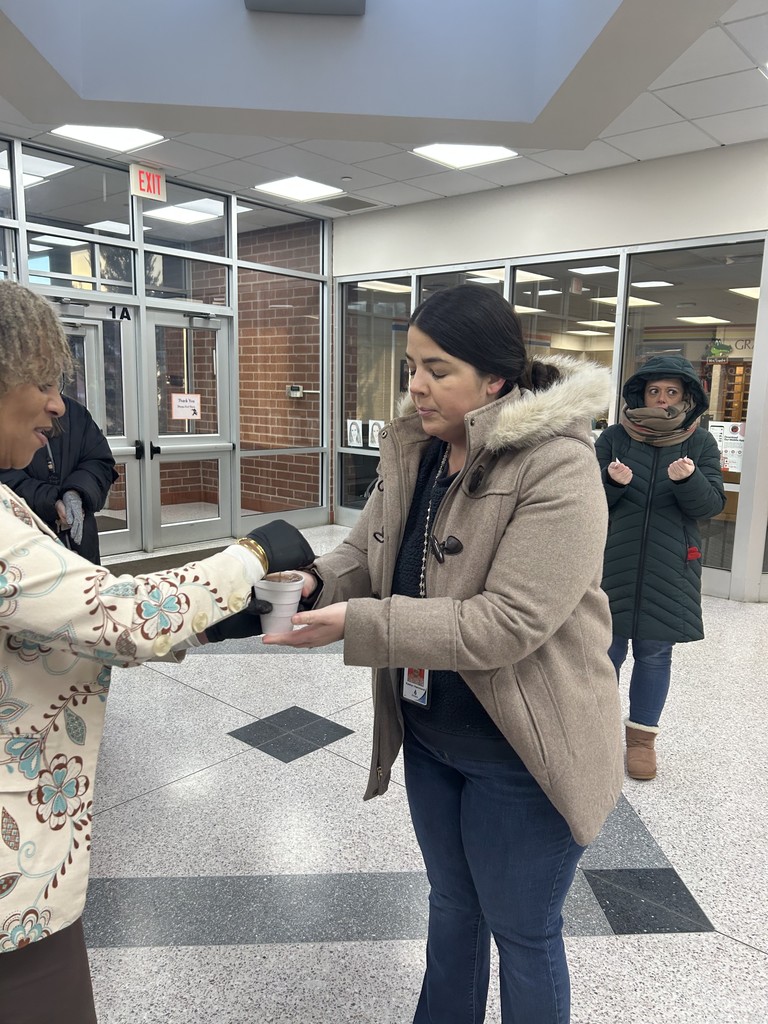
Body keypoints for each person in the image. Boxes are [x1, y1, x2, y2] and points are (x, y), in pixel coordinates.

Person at [266, 284, 623, 1024]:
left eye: (437, 369)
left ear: (495, 379)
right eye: (409, 366)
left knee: (523, 932)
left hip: (523, 751)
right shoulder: (418, 450)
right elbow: (367, 547)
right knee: (454, 908)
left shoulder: (557, 465)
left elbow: (508, 623)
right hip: (432, 736)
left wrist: (358, 623)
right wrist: (316, 580)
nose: (415, 387)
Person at [0, 280, 314, 1024]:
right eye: (43, 382)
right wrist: (253, 554)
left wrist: (210, 624)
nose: (57, 405)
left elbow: (62, 620)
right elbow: (125, 614)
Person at [594, 356, 725, 781]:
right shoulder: (614, 437)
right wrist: (610, 483)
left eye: (671, 392)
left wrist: (689, 480)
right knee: (604, 652)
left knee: (655, 653)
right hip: (612, 560)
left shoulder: (699, 443)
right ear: (641, 394)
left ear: (687, 398)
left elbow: (710, 507)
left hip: (671, 566)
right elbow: (584, 502)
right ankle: (593, 737)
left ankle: (641, 742)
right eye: (655, 391)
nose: (662, 399)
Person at [0, 395, 118, 564]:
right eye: (44, 385)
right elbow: (7, 479)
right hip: (25, 544)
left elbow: (99, 461)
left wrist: (76, 491)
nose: (59, 407)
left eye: (56, 383)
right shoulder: (8, 416)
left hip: (81, 539)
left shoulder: (77, 413)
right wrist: (53, 499)